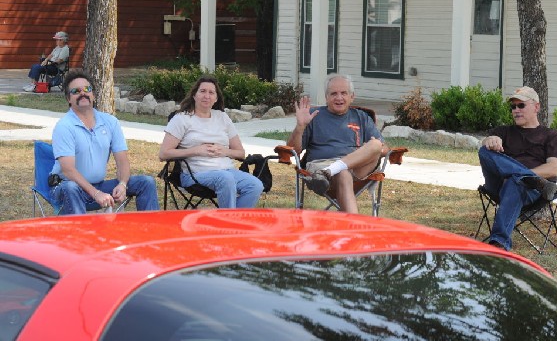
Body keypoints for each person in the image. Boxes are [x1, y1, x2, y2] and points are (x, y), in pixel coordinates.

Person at [49, 69, 159, 214]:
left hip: (98, 185)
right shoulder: (64, 126)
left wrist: (123, 184)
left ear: (93, 95)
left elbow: (122, 161)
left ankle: (149, 233)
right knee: (71, 188)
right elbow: (68, 171)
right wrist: (96, 193)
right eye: (76, 91)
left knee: (146, 182)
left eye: (87, 89)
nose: (83, 93)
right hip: (67, 187)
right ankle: (80, 235)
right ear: (68, 99)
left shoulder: (110, 122)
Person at [479, 86, 557, 251]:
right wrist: (491, 140)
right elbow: (489, 142)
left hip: (532, 191)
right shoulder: (504, 131)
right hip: (498, 184)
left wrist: (521, 177)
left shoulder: (553, 136)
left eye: (521, 105)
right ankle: (525, 177)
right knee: (484, 150)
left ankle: (498, 244)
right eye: (513, 107)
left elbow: (553, 168)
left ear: (536, 107)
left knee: (515, 182)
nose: (516, 110)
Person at [287, 74, 389, 214]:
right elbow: (293, 151)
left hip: (355, 168)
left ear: (352, 96)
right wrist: (300, 127)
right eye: (334, 93)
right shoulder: (314, 116)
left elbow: (385, 149)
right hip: (321, 168)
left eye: (344, 93)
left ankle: (331, 170)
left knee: (376, 145)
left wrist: (368, 149)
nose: (339, 98)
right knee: (343, 173)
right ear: (326, 97)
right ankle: (351, 229)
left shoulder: (361, 117)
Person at [158, 77, 263, 208]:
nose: (206, 96)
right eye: (202, 91)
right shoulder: (181, 119)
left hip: (227, 170)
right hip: (195, 174)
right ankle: (228, 224)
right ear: (194, 95)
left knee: (255, 185)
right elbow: (163, 154)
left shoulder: (222, 117)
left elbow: (240, 153)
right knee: (225, 179)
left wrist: (225, 151)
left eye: (211, 92)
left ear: (216, 98)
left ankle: (231, 222)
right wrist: (196, 150)